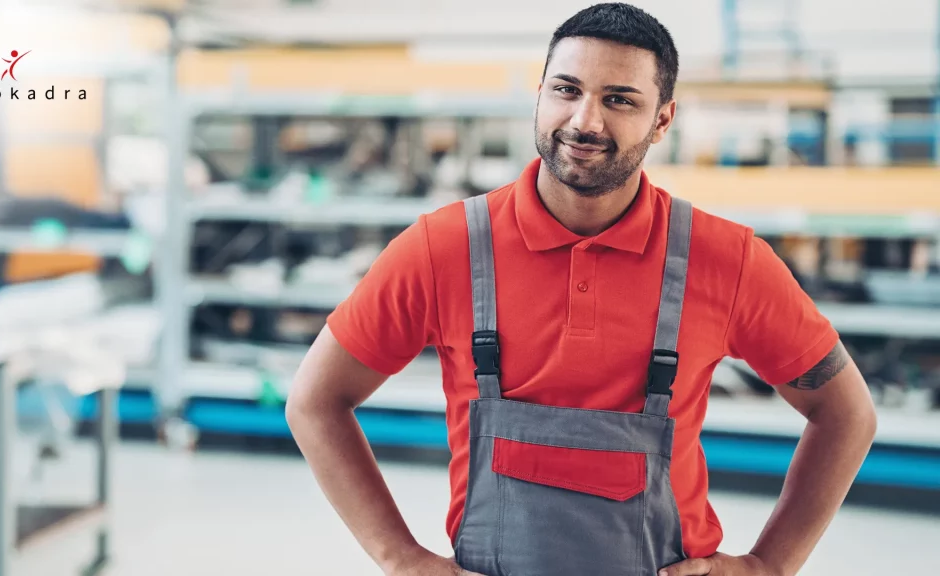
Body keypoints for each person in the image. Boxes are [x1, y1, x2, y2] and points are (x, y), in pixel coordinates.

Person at [285, 3, 878, 575]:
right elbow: (315, 401)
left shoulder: (726, 259)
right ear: (539, 94)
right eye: (567, 90)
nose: (585, 122)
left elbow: (845, 412)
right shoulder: (444, 248)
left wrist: (771, 565)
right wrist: (402, 560)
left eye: (619, 99)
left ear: (663, 118)